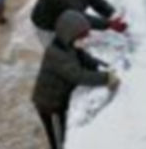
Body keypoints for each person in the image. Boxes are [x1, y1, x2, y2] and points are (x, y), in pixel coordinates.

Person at [32, 10, 120, 149]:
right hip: (50, 104)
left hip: (60, 98)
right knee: (58, 138)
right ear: (70, 36)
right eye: (82, 38)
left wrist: (101, 65)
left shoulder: (68, 45)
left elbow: (84, 58)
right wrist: (105, 78)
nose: (85, 41)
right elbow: (78, 75)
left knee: (63, 128)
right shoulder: (57, 55)